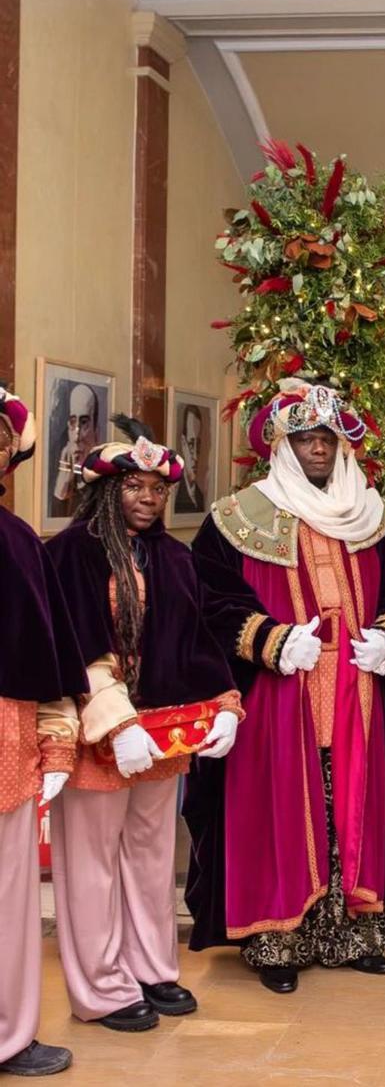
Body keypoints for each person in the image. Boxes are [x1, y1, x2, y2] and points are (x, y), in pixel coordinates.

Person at [185, 379, 385, 994]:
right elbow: (209, 601)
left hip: (358, 691)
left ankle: (351, 934)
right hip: (278, 696)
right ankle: (277, 939)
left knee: (351, 807)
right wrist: (268, 638)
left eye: (327, 437)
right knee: (281, 811)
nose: (318, 448)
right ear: (281, 445)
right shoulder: (237, 518)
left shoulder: (373, 515)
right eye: (305, 438)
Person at [45, 416, 243, 1032]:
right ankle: (102, 987)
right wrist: (115, 721)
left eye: (158, 490)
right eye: (136, 488)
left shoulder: (174, 557)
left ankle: (153, 968)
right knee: (92, 862)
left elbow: (198, 638)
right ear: (109, 491)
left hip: (164, 736)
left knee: (152, 855)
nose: (149, 500)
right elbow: (71, 643)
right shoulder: (71, 553)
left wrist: (226, 703)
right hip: (97, 732)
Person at [0, 387, 87, 1077]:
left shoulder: (22, 542)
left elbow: (49, 656)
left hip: (6, 743)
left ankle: (8, 1034)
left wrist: (58, 741)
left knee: (8, 901)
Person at [51, 383, 99, 517]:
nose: (77, 436)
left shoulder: (103, 487)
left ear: (96, 431)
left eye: (84, 423)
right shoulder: (64, 475)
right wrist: (61, 490)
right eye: (73, 422)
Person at [174, 405, 206, 514]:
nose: (196, 457)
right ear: (183, 443)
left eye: (199, 444)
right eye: (191, 444)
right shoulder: (174, 495)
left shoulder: (200, 497)